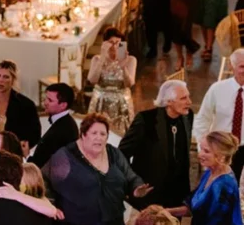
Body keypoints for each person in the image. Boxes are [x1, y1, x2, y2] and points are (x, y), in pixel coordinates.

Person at [119, 80, 194, 209]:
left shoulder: (187, 116)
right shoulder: (146, 120)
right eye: (183, 98)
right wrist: (134, 182)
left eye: (188, 96)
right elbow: (121, 154)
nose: (189, 102)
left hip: (176, 196)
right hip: (149, 195)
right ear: (169, 101)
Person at [193, 47, 244, 181]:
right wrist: (204, 149)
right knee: (218, 187)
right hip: (220, 149)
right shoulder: (217, 89)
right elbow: (202, 120)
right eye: (242, 66)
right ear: (232, 67)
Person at [87, 28, 137, 137]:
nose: (114, 46)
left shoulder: (131, 60)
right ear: (105, 44)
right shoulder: (96, 59)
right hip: (100, 102)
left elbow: (129, 84)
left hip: (121, 103)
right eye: (111, 42)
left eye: (118, 43)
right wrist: (102, 58)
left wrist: (123, 67)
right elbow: (92, 80)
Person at [0, 60, 41, 154]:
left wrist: (22, 146)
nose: (1, 80)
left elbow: (35, 134)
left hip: (11, 153)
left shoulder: (25, 104)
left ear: (13, 80)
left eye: (6, 77)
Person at [31, 82, 79, 170]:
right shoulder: (66, 122)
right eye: (45, 98)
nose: (45, 103)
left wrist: (26, 155)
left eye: (50, 100)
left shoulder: (63, 130)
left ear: (63, 105)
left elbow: (41, 162)